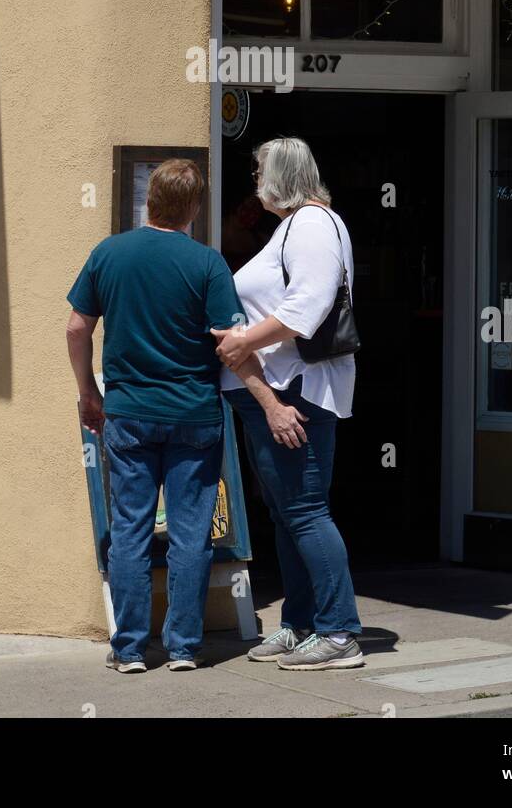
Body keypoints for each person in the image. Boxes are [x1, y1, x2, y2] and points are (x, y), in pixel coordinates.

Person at [66, 159, 244, 674]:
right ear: (193, 208)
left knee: (130, 530)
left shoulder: (110, 254)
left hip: (129, 413)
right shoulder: (208, 265)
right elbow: (231, 340)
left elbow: (77, 328)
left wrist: (87, 393)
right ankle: (185, 646)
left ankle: (129, 649)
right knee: (191, 533)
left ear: (149, 199)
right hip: (194, 414)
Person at [212, 137, 363, 671]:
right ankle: (301, 625)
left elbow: (308, 306)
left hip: (294, 388)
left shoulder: (313, 225)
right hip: (280, 385)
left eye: (258, 171)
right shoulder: (298, 225)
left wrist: (243, 341)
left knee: (304, 510)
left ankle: (339, 632)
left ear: (278, 175)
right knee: (287, 512)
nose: (254, 181)